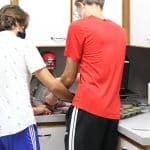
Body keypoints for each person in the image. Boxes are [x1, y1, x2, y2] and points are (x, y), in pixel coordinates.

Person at [47, 0, 127, 150]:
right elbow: (101, 71)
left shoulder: (79, 27)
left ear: (81, 3)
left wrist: (52, 96)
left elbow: (68, 77)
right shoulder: (120, 32)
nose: (77, 13)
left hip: (86, 110)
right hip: (111, 113)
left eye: (76, 8)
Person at [0, 5, 73, 150]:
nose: (23, 30)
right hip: (19, 126)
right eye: (23, 26)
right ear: (16, 23)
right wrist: (75, 99)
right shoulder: (24, 45)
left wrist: (35, 109)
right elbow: (53, 85)